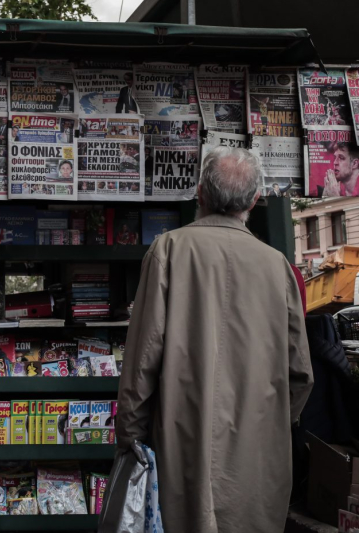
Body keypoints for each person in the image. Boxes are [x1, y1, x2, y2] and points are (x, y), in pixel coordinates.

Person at [116, 146, 313, 533]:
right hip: (257, 457)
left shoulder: (168, 250)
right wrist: (269, 422)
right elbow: (300, 373)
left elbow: (142, 363)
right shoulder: (278, 266)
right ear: (255, 201)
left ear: (200, 193)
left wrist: (131, 436)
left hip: (181, 445)